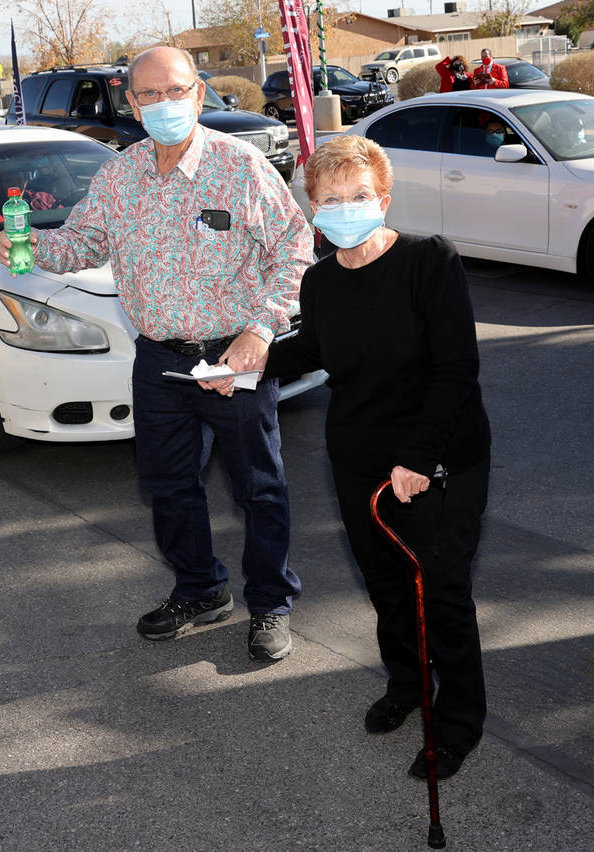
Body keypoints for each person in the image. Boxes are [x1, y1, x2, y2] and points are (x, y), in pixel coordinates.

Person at [0, 46, 313, 662]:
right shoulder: (119, 175)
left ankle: (271, 602)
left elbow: (295, 252)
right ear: (132, 104)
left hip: (235, 357)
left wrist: (261, 331)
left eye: (176, 91)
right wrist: (27, 248)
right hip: (159, 361)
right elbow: (83, 241)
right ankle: (200, 591)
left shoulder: (241, 168)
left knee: (259, 489)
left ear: (198, 95)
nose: (164, 104)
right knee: (168, 486)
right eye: (149, 95)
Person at [262, 135, 491, 781]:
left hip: (440, 452)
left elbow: (456, 368)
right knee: (387, 582)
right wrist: (243, 367)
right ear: (312, 208)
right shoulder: (320, 280)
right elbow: (313, 350)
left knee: (441, 590)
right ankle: (408, 685)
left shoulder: (429, 261)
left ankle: (459, 720)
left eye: (359, 196)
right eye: (331, 199)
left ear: (383, 199)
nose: (346, 208)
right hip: (360, 455)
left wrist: (419, 456)